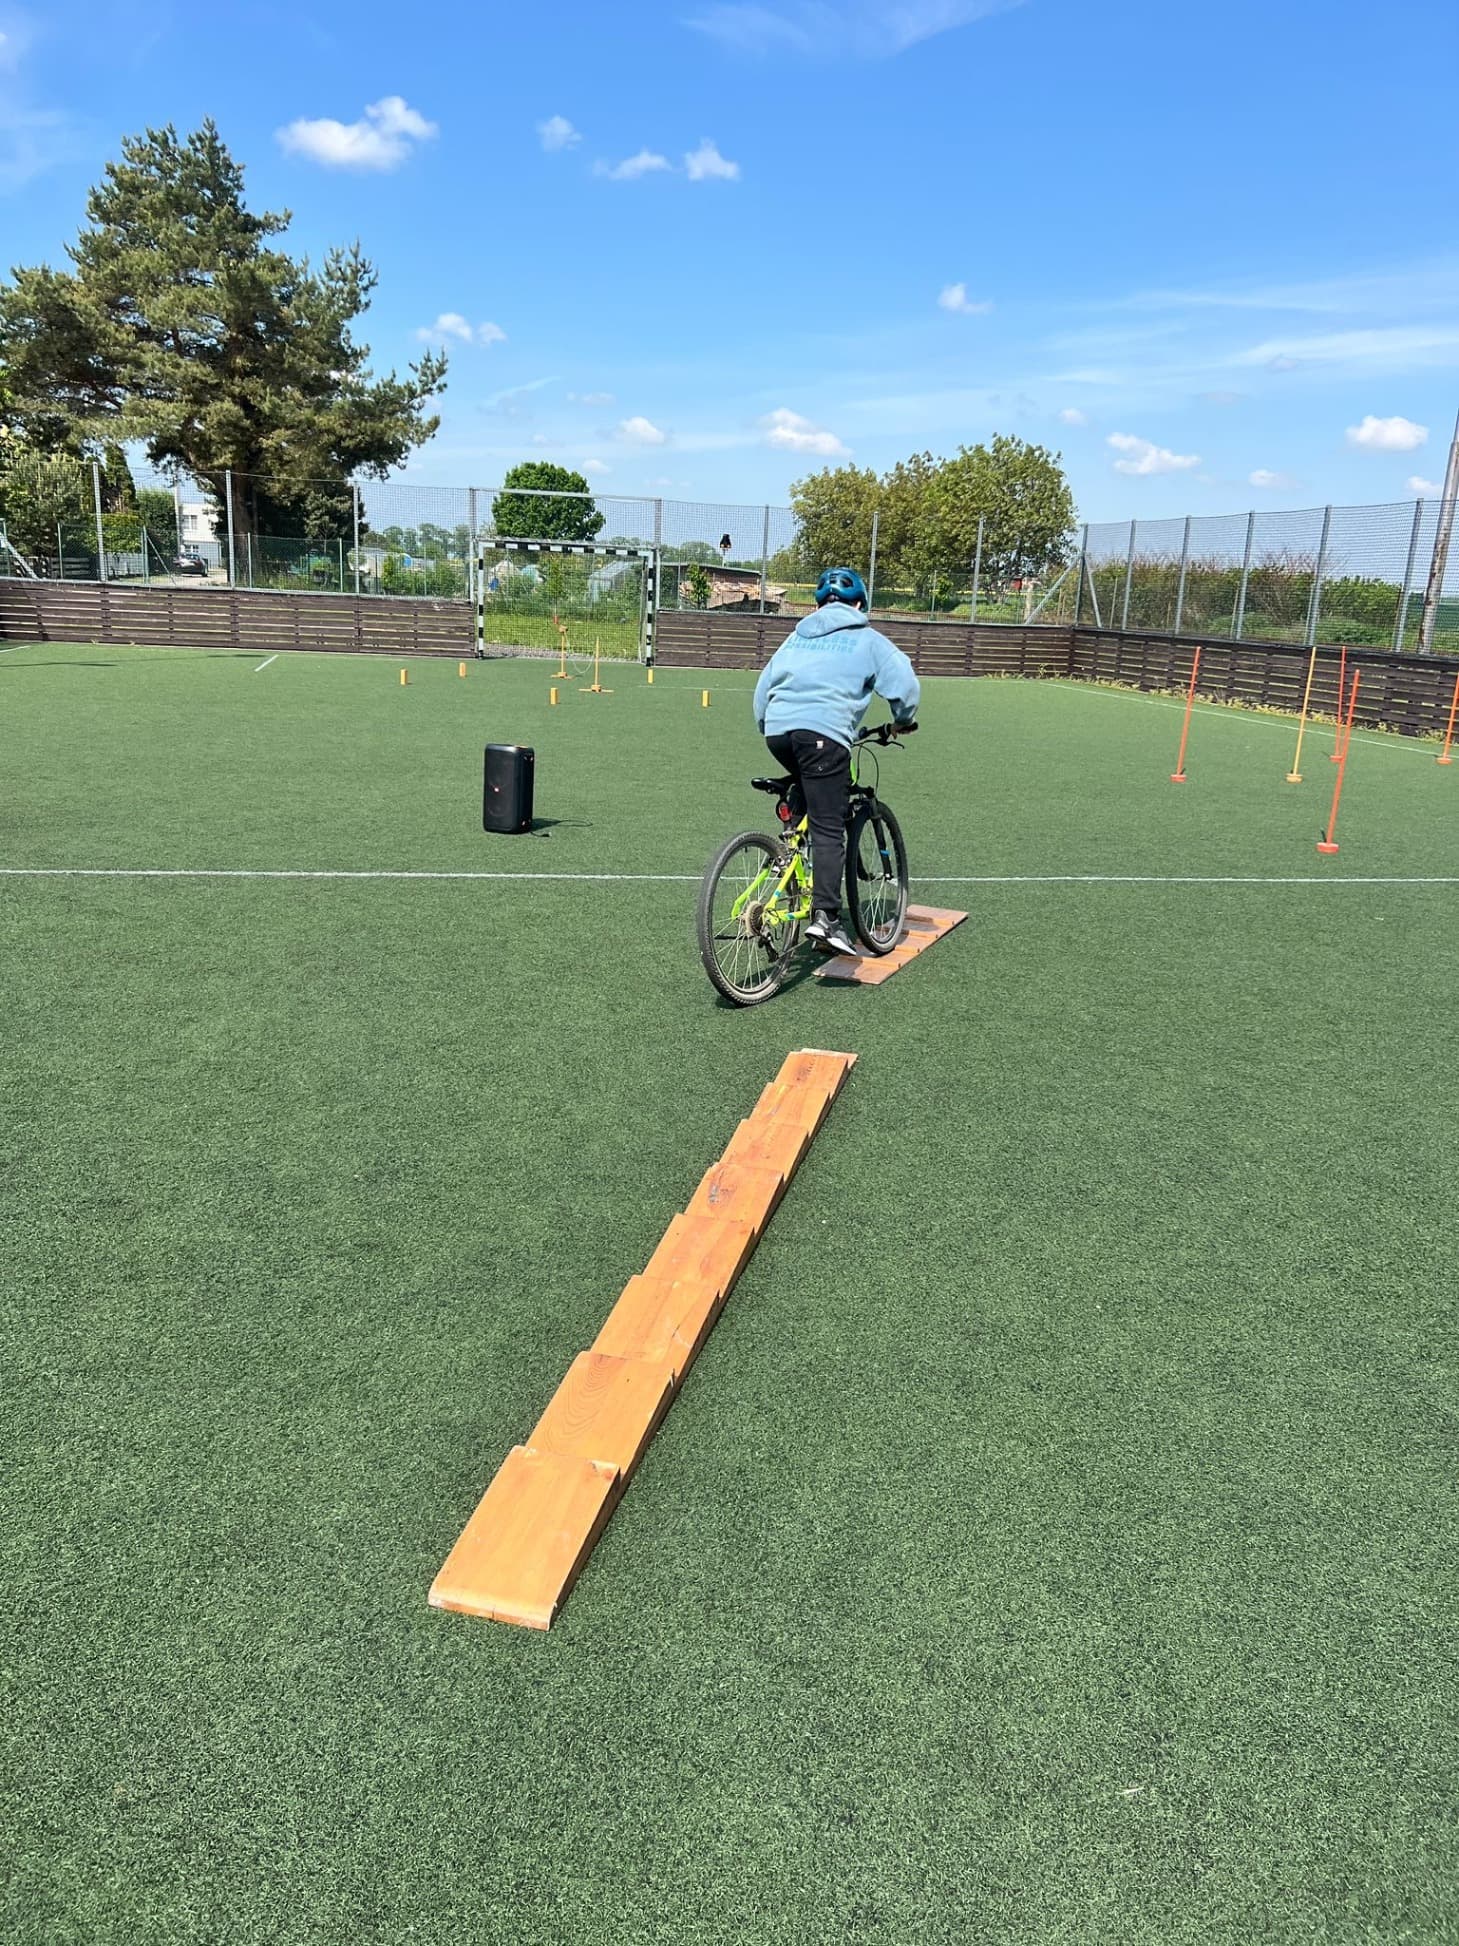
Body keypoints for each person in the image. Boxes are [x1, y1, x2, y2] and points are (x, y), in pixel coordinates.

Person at [752, 566, 920, 956]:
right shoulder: (868, 639)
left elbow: (763, 689)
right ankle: (827, 918)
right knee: (829, 827)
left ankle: (791, 839)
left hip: (778, 732)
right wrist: (902, 720)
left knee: (809, 787)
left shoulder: (796, 636)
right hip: (824, 735)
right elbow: (905, 685)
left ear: (819, 605)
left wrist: (769, 725)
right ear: (859, 604)